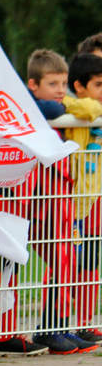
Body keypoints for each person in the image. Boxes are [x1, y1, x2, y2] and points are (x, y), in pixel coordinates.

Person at [20, 50, 96, 354]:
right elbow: (47, 107)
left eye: (64, 83)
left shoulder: (59, 106)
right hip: (39, 200)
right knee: (57, 259)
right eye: (53, 83)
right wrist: (64, 104)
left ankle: (57, 326)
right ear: (33, 85)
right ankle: (47, 328)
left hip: (61, 195)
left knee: (66, 261)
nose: (60, 90)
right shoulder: (34, 106)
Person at [60, 51, 102, 340]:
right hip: (71, 201)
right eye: (99, 84)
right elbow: (81, 108)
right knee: (64, 261)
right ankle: (58, 324)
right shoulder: (72, 107)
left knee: (90, 261)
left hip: (93, 199)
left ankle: (86, 323)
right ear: (79, 85)